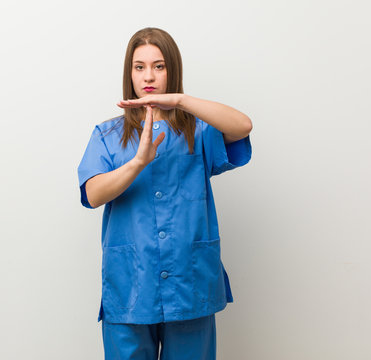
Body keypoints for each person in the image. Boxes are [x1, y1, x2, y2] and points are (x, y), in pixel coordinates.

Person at [77, 27, 252, 360]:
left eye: (159, 66)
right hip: (131, 285)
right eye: (139, 66)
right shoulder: (108, 134)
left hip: (189, 283)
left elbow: (242, 126)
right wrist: (138, 162)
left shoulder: (197, 130)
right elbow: (94, 193)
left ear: (173, 70)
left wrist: (181, 101)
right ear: (129, 73)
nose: (149, 76)